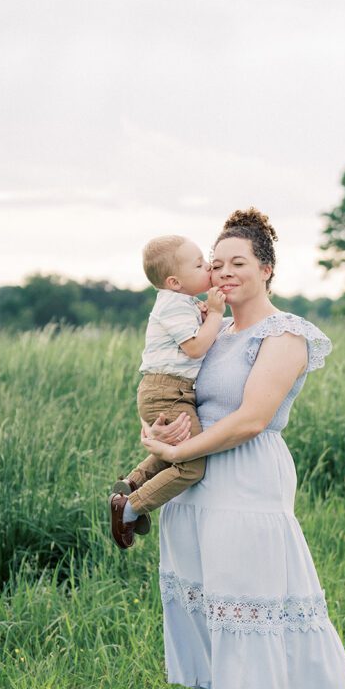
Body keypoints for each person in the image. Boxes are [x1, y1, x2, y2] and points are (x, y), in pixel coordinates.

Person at [140, 208, 345, 689]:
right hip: (196, 486)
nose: (225, 271)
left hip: (245, 483)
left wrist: (182, 452)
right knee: (217, 613)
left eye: (239, 262)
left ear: (266, 269)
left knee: (247, 613)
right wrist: (157, 433)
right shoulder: (204, 327)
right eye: (217, 261)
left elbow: (253, 417)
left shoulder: (285, 335)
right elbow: (176, 391)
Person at [109, 235, 227, 549]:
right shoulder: (173, 304)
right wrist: (215, 315)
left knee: (176, 450)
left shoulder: (182, 303)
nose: (209, 267)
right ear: (174, 282)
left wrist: (203, 315)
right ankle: (130, 506)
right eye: (200, 264)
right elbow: (195, 348)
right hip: (167, 390)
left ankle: (132, 483)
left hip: (168, 389)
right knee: (191, 465)